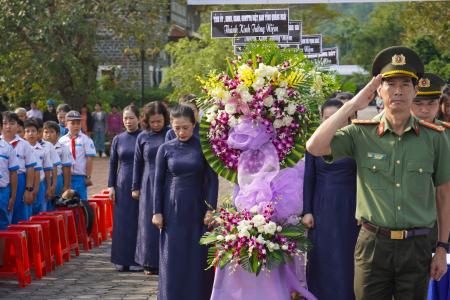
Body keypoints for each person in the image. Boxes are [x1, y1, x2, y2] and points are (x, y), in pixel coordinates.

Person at [306, 46, 450, 299]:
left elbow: (443, 195)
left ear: (415, 90)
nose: (398, 90)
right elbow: (315, 146)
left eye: (406, 84)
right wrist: (352, 104)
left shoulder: (434, 138)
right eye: (390, 84)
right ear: (378, 91)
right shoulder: (361, 133)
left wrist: (441, 247)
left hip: (416, 244)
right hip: (372, 244)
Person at [153, 104, 218, 300]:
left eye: (185, 127)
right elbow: (157, 182)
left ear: (194, 124)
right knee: (172, 255)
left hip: (197, 208)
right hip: (171, 209)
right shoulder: (164, 149)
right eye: (176, 128)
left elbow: (212, 180)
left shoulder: (204, 147)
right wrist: (157, 211)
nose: (181, 132)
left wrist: (210, 209)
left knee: (197, 256)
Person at [302, 99, 358, 300]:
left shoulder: (356, 141)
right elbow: (309, 178)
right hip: (322, 207)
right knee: (323, 257)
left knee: (348, 258)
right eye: (328, 118)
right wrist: (307, 210)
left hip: (351, 206)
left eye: (338, 118)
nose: (333, 122)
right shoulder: (314, 143)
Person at [132, 101, 170, 275]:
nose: (156, 125)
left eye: (159, 121)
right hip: (148, 181)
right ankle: (148, 261)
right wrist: (135, 186)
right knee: (147, 223)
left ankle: (166, 259)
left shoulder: (170, 134)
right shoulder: (142, 137)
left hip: (167, 182)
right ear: (146, 120)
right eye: (153, 122)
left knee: (166, 221)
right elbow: (137, 163)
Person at [108, 105, 142, 272]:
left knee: (137, 221)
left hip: (140, 184)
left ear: (139, 119)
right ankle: (120, 259)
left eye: (131, 118)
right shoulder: (118, 139)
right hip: (122, 183)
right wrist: (111, 186)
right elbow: (113, 163)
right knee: (122, 222)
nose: (128, 121)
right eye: (125, 118)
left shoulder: (144, 137)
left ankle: (136, 259)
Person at [1, 112, 36, 223]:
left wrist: (28, 189)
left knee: (20, 215)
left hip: (20, 180)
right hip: (3, 181)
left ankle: (21, 239)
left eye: (12, 123)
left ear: (18, 126)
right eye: (5, 123)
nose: (8, 126)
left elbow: (30, 168)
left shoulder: (24, 144)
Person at [59, 111, 96, 201]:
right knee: (66, 202)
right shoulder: (61, 141)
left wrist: (88, 176)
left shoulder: (86, 140)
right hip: (65, 177)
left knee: (81, 202)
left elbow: (89, 159)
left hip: (80, 177)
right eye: (73, 123)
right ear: (66, 124)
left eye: (78, 123)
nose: (76, 126)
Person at [0, 113, 19, 266]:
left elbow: (13, 173)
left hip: (3, 191)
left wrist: (12, 195)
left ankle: (2, 261)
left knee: (3, 225)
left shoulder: (7, 148)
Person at [23, 118, 52, 215]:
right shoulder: (21, 149)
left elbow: (47, 169)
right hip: (25, 184)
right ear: (24, 134)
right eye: (28, 131)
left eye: (33, 131)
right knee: (27, 211)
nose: (31, 134)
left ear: (38, 133)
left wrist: (48, 187)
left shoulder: (43, 149)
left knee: (41, 210)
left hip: (40, 184)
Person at [43, 121, 72, 199]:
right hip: (44, 179)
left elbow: (66, 169)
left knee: (55, 200)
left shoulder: (63, 148)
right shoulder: (40, 147)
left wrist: (66, 186)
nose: (48, 135)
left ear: (58, 134)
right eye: (46, 132)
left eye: (51, 132)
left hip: (57, 178)